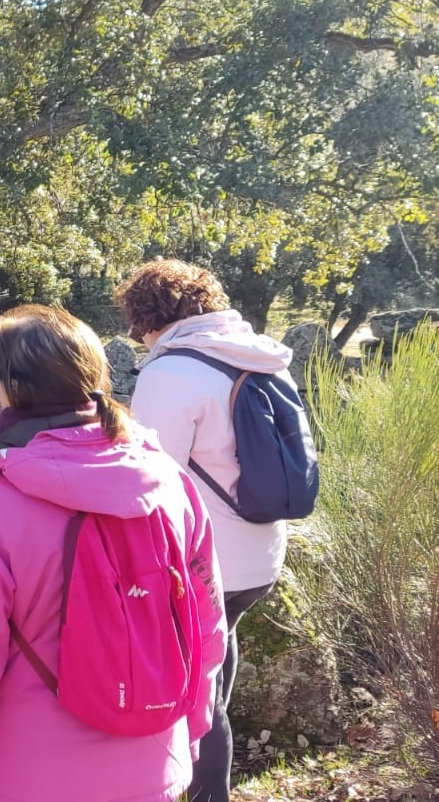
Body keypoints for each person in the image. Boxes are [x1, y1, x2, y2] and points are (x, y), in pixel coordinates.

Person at [0, 304, 227, 802]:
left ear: (9, 386)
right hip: (153, 765)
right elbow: (206, 627)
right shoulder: (170, 482)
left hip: (28, 779)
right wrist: (189, 735)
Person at [116, 259, 295, 802]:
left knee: (199, 699)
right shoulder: (261, 359)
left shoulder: (171, 372)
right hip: (260, 552)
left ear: (146, 314)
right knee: (217, 668)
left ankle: (203, 794)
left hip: (205, 563)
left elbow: (149, 478)